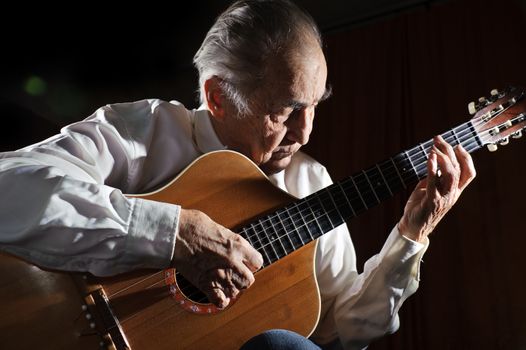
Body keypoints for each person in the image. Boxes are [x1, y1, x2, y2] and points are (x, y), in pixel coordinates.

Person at [0, 0, 476, 349]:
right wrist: (174, 234)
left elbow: (345, 330)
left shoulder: (312, 185)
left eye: (313, 107)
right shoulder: (146, 132)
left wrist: (411, 235)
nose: (304, 132)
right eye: (284, 110)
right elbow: (8, 187)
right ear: (219, 97)